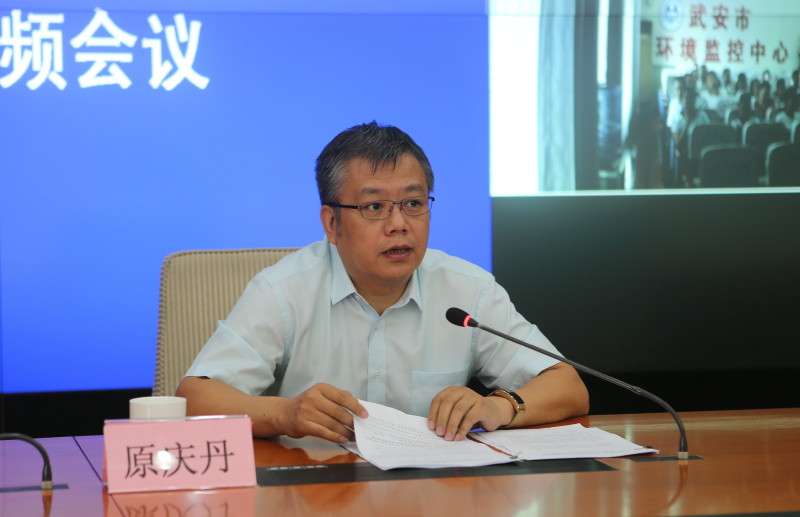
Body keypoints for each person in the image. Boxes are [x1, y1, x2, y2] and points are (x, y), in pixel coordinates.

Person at [176, 122, 590, 444]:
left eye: (413, 203)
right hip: (316, 490)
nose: (399, 224)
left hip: (430, 494)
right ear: (331, 223)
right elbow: (196, 398)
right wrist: (285, 414)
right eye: (374, 206)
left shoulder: (467, 290)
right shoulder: (283, 291)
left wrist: (499, 407)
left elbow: (567, 386)